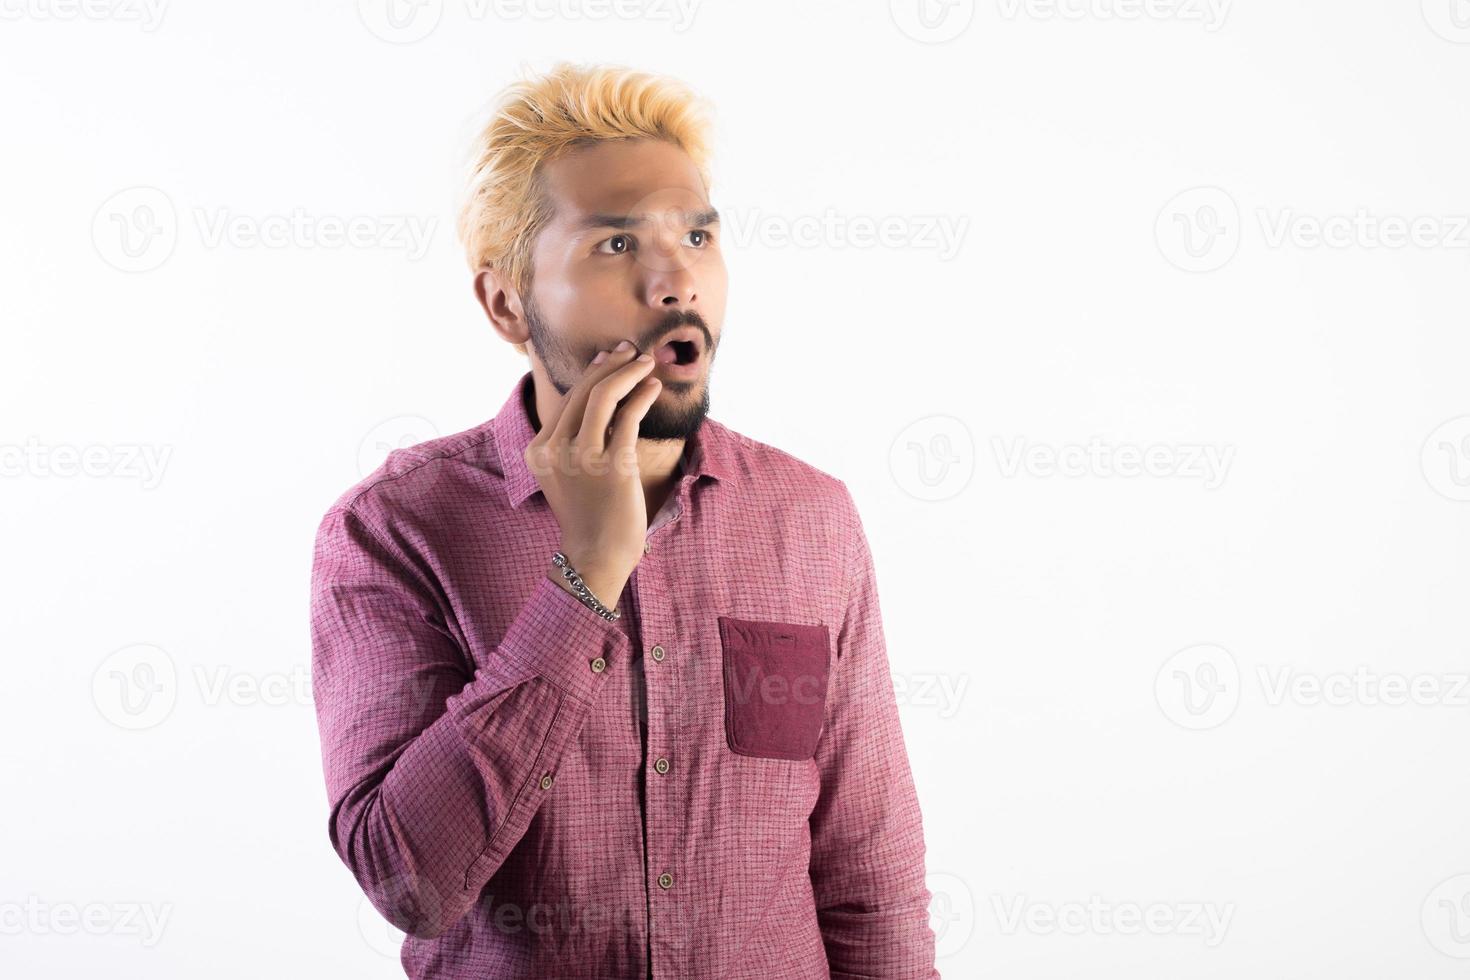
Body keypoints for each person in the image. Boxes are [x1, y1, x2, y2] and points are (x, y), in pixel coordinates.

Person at [309, 61, 940, 979]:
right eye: (615, 246)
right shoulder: (395, 531)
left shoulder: (810, 520)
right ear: (505, 302)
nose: (675, 278)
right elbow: (408, 879)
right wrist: (586, 577)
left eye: (696, 235)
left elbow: (867, 877)